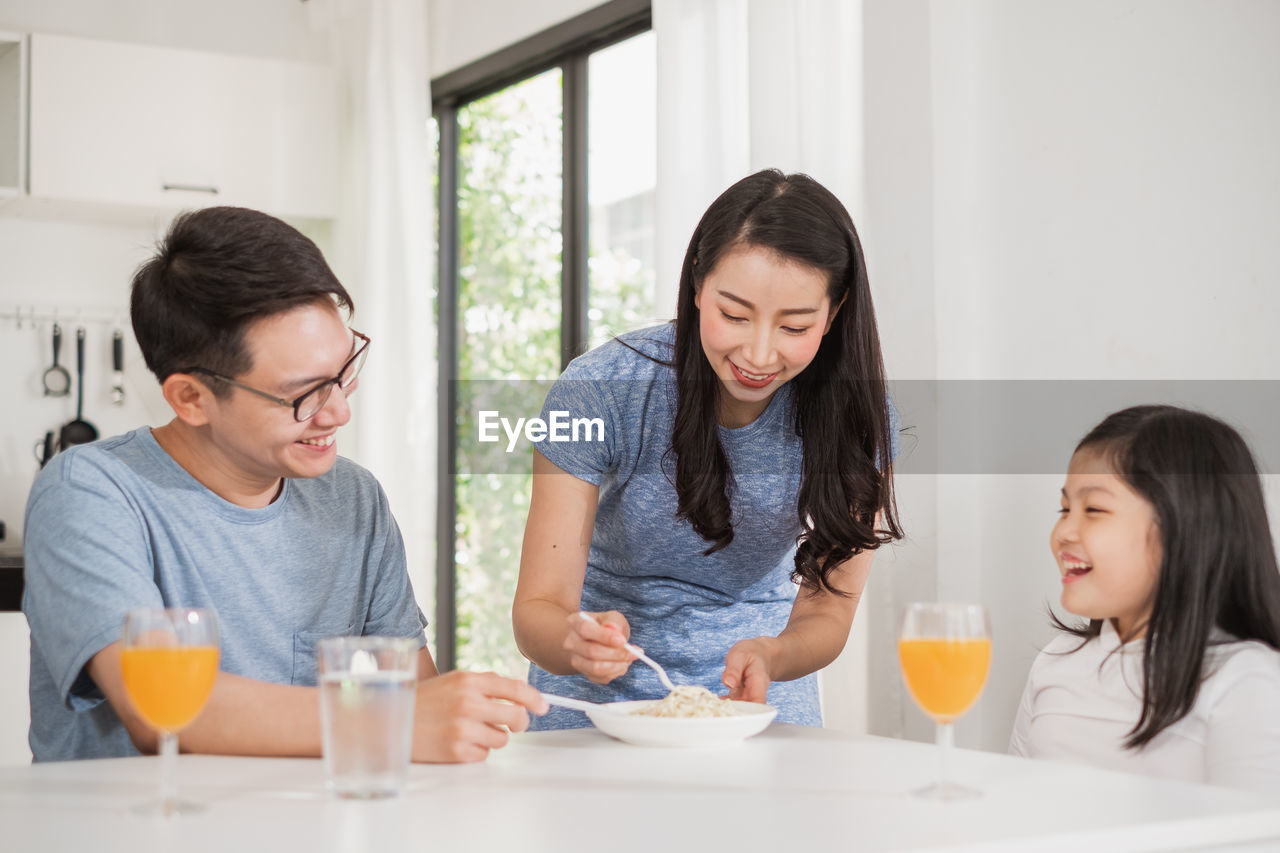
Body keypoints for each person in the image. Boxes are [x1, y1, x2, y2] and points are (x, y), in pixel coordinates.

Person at [23, 206, 546, 763]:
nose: (339, 412)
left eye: (345, 372)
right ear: (190, 399)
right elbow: (156, 711)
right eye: (304, 394)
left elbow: (415, 699)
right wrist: (389, 717)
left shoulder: (352, 498)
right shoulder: (90, 493)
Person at [513, 169, 901, 728]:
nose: (760, 354)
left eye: (794, 326)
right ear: (697, 286)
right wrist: (575, 641)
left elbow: (828, 611)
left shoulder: (857, 418)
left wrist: (774, 653)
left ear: (834, 313)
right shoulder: (599, 390)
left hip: (756, 705)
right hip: (598, 711)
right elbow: (537, 609)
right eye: (734, 315)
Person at [1009, 405, 1280, 792]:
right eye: (1065, 508)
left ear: (1185, 529)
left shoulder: (1246, 683)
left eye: (1094, 510)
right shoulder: (1055, 662)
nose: (1063, 532)